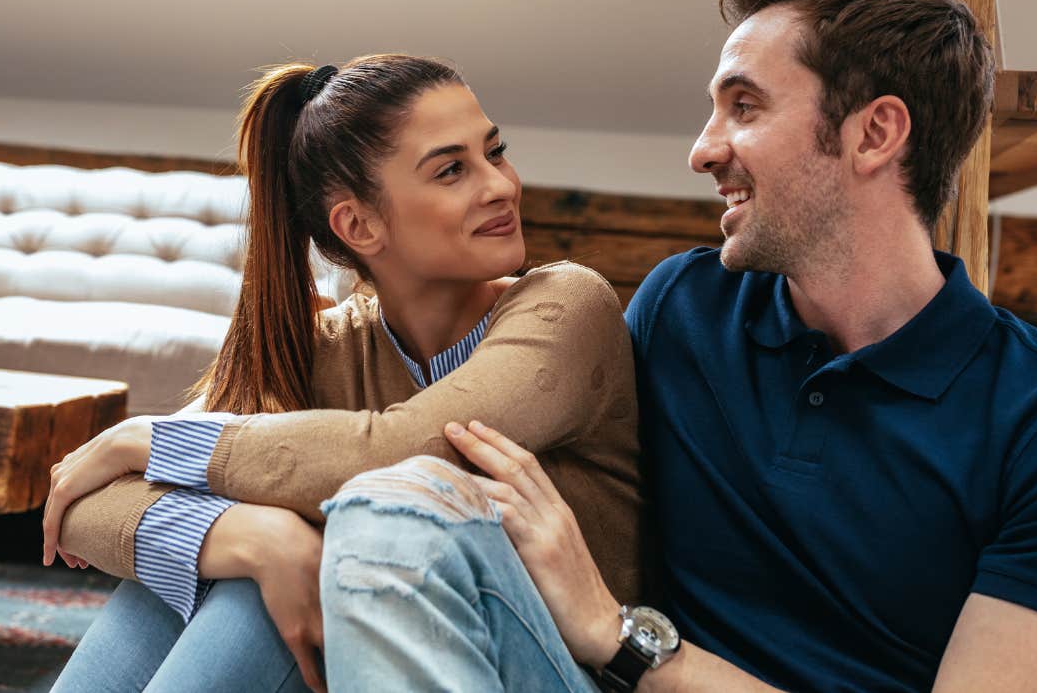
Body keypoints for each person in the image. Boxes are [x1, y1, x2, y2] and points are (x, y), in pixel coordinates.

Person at [312, 0, 1037, 692]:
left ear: (875, 135)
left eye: (745, 106)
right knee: (376, 517)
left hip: (630, 661)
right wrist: (223, 525)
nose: (703, 148)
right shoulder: (683, 310)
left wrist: (628, 639)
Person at [41, 55, 643, 692]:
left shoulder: (567, 308)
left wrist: (145, 439)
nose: (500, 185)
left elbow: (403, 449)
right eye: (452, 170)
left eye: (495, 153)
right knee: (241, 567)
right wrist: (258, 535)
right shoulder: (322, 346)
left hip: (559, 673)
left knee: (300, 574)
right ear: (358, 224)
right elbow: (82, 500)